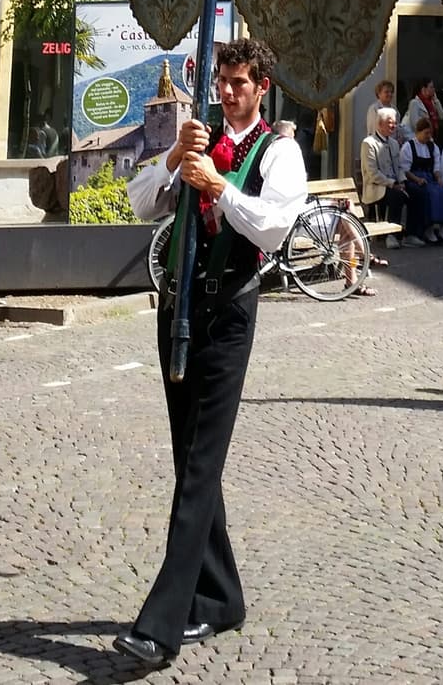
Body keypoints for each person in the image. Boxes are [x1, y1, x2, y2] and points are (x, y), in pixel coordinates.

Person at [120, 38, 306, 666]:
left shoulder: (279, 151)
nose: (228, 93)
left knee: (201, 465)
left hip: (229, 312)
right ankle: (222, 597)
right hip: (178, 312)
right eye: (222, 82)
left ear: (262, 87)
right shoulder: (197, 143)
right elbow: (141, 201)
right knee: (189, 460)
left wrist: (217, 186)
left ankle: (162, 621)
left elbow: (272, 227)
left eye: (240, 83)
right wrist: (176, 158)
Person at [360, 109, 424, 248]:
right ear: (380, 124)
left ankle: (411, 234)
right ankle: (392, 235)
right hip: (377, 186)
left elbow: (400, 167)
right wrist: (392, 183)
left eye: (395, 123)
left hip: (395, 184)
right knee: (397, 195)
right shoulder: (369, 143)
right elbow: (372, 173)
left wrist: (402, 181)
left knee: (417, 192)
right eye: (389, 123)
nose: (393, 126)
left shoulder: (394, 143)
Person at [400, 115, 443, 242]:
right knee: (431, 194)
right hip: (414, 178)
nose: (428, 136)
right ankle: (429, 228)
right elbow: (405, 170)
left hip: (429, 178)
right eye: (426, 133)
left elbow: (436, 167)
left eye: (429, 133)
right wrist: (417, 179)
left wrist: (439, 178)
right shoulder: (409, 147)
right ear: (418, 132)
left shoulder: (433, 147)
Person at [403, 77, 443, 143]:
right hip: (417, 139)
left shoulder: (432, 102)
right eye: (431, 87)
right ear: (424, 89)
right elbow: (415, 125)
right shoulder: (415, 103)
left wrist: (436, 100)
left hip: (429, 138)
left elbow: (442, 116)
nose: (434, 89)